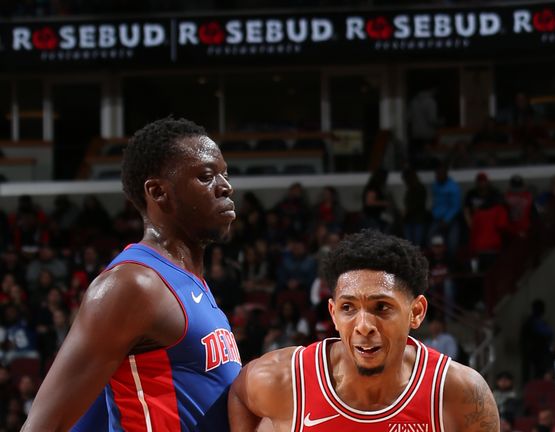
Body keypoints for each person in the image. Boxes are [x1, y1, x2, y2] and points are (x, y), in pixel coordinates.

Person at [22, 117, 242, 431]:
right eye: (206, 176)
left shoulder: (190, 284)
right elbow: (44, 425)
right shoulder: (133, 285)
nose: (225, 186)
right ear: (157, 191)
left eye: (224, 174)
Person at [228, 229, 499, 431]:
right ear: (333, 313)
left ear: (416, 313)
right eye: (348, 308)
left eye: (382, 307)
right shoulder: (284, 379)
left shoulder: (460, 392)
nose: (364, 326)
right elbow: (239, 394)